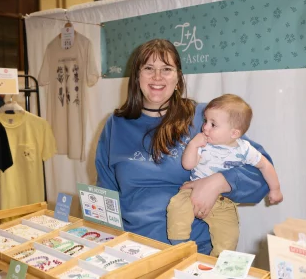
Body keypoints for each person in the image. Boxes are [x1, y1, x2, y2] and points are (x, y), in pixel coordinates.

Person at [95, 39, 272, 255]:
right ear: (137, 77)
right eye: (148, 68)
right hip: (134, 249)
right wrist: (105, 245)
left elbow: (261, 174)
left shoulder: (205, 118)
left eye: (166, 69)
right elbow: (106, 192)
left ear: (178, 77)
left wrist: (219, 182)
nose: (157, 77)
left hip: (194, 252)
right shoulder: (116, 124)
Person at [167, 94, 283, 257]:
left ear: (234, 133)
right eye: (205, 121)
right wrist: (193, 145)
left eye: (213, 124)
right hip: (191, 192)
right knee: (177, 206)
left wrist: (275, 189)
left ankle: (219, 260)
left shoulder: (244, 149)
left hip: (223, 200)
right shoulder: (204, 143)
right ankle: (180, 245)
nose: (205, 128)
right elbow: (188, 164)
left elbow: (265, 165)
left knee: (229, 232)